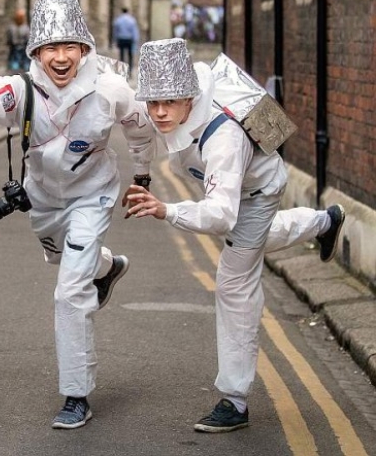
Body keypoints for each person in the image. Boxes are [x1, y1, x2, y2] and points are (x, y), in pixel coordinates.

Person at [123, 38, 346, 433]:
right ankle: (325, 222)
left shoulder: (223, 140)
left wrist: (167, 209)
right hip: (233, 190)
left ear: (190, 95)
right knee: (255, 241)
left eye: (169, 102)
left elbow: (222, 215)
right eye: (152, 101)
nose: (158, 112)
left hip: (257, 193)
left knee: (233, 282)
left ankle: (236, 400)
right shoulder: (175, 106)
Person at [0, 0, 154, 429]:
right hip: (43, 200)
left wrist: (141, 177)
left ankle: (76, 393)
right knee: (61, 259)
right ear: (36, 53)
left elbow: (140, 130)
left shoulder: (111, 89)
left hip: (92, 196)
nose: (60, 58)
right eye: (50, 49)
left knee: (68, 293)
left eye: (69, 47)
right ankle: (107, 268)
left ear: (84, 49)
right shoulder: (21, 88)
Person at [112, 7, 140, 73]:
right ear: (127, 12)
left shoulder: (118, 20)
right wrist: (135, 40)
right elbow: (134, 31)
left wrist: (115, 39)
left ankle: (122, 69)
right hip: (129, 39)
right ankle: (130, 70)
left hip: (121, 39)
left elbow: (115, 31)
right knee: (130, 55)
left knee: (122, 54)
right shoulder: (131, 20)